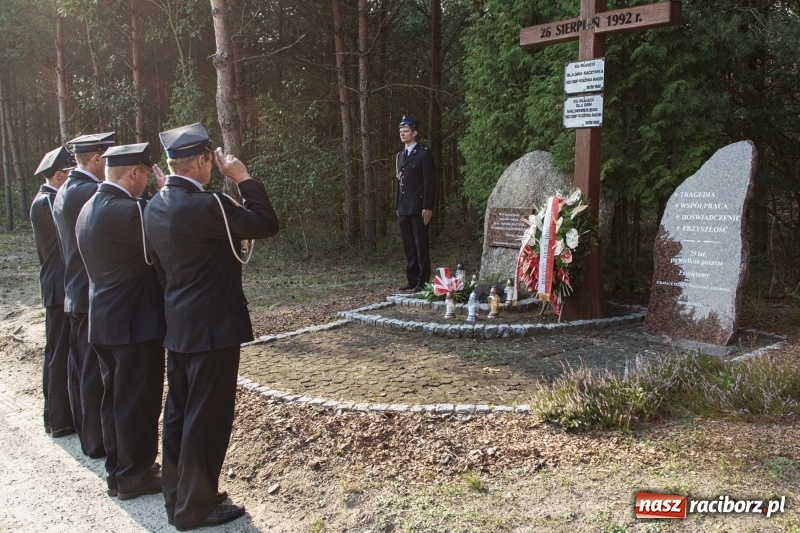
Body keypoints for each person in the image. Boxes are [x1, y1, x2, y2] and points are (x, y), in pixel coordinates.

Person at [143, 123, 280, 531]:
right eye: (211, 159)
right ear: (204, 160)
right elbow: (265, 224)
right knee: (208, 418)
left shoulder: (153, 205)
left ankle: (179, 497)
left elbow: (160, 271)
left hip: (179, 324)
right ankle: (196, 507)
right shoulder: (210, 205)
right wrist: (243, 177)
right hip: (214, 327)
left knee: (179, 414)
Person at [75, 143, 165, 500]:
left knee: (114, 400)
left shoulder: (88, 206)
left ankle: (119, 471)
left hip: (104, 317)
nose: (146, 183)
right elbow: (164, 237)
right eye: (145, 175)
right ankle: (134, 475)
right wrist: (167, 193)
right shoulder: (129, 211)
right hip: (134, 322)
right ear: (135, 172)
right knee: (137, 402)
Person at [52, 132, 115, 459]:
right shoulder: (90, 191)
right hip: (89, 291)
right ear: (97, 159)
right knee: (92, 373)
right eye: (109, 158)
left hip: (75, 290)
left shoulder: (66, 188)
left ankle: (88, 434)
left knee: (81, 369)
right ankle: (95, 441)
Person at [30, 146, 76, 438]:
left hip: (59, 285)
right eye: (70, 173)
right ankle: (58, 418)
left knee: (59, 352)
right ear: (59, 175)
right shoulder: (48, 202)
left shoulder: (47, 199)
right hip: (59, 286)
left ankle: (58, 415)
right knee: (59, 354)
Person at [395, 115, 436, 293]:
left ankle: (422, 281)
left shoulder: (423, 154)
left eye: (406, 131)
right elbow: (399, 183)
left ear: (414, 133)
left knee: (421, 245)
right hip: (403, 207)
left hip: (419, 207)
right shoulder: (400, 156)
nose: (402, 134)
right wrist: (397, 205)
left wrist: (427, 206)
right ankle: (412, 280)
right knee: (409, 245)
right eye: (401, 131)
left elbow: (429, 182)